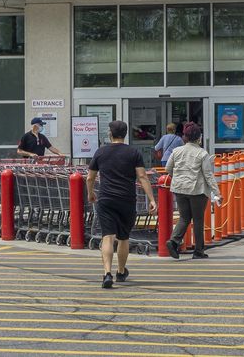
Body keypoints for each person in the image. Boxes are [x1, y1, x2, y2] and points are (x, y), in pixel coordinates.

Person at [87, 120, 156, 289]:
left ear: (110, 134)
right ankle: (121, 271)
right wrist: (152, 199)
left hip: (106, 199)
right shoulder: (134, 153)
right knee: (124, 238)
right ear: (125, 135)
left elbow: (90, 177)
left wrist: (90, 193)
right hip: (127, 199)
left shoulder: (100, 152)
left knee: (107, 237)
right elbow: (142, 177)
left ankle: (106, 273)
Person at [163, 123, 222, 260]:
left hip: (179, 188)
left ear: (185, 137)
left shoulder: (176, 151)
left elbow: (168, 168)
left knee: (184, 217)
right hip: (197, 190)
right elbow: (208, 175)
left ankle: (173, 241)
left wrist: (176, 177)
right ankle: (198, 251)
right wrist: (217, 193)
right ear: (199, 138)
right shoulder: (202, 153)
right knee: (198, 219)